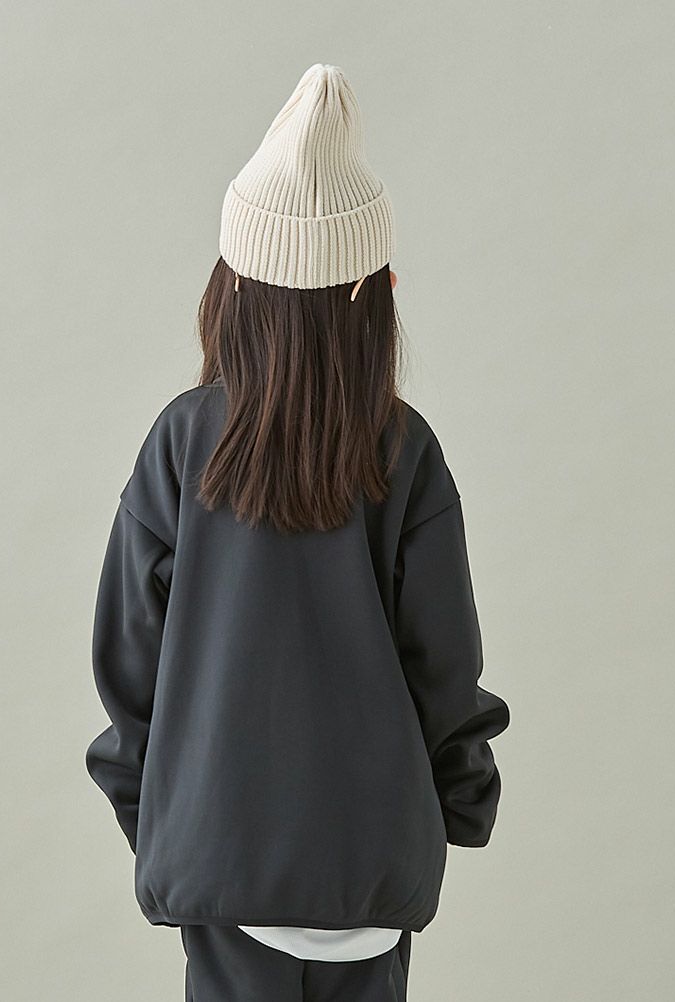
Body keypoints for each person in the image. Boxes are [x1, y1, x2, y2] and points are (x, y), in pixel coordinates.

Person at [85, 62, 510, 1002]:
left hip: (223, 868)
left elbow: (129, 665)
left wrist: (164, 811)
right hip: (371, 874)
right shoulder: (406, 452)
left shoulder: (182, 443)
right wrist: (460, 802)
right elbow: (443, 666)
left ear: (230, 286)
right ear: (379, 292)